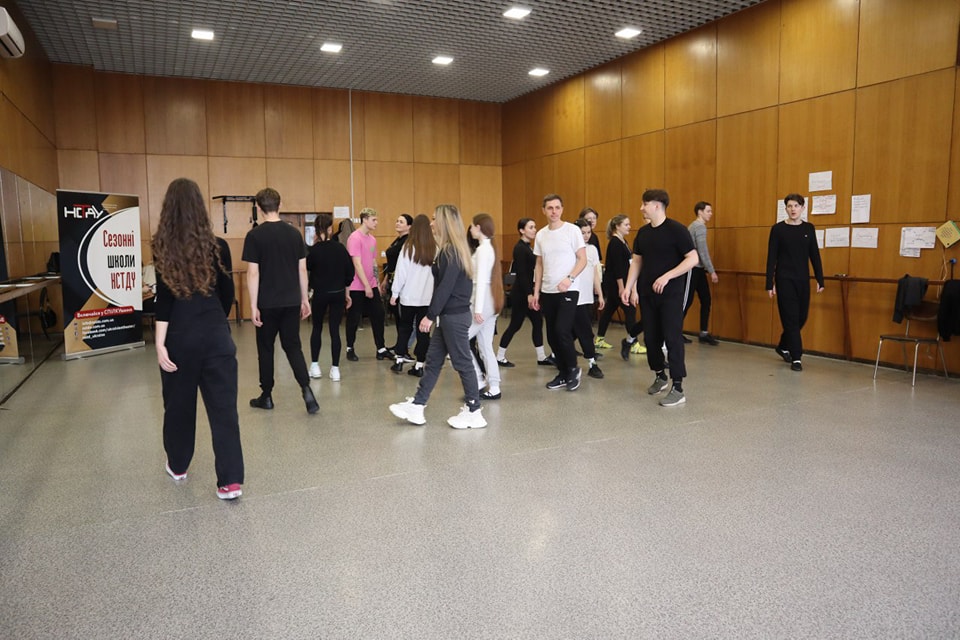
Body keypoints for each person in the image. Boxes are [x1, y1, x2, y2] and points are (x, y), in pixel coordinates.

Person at [153, 177, 244, 501]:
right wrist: (215, 323)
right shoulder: (218, 246)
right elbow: (227, 294)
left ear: (169, 210)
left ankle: (178, 465)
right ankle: (230, 482)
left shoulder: (162, 248)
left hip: (180, 338)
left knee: (178, 406)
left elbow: (164, 301)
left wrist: (160, 344)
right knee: (224, 411)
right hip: (217, 337)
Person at [390, 204, 486, 429]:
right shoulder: (450, 250)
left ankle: (474, 410)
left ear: (445, 222)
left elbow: (445, 288)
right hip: (448, 316)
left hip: (453, 317)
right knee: (433, 361)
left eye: (435, 219)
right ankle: (418, 405)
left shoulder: (451, 252)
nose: (431, 223)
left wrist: (430, 315)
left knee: (462, 363)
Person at [243, 187, 319, 415]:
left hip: (267, 302)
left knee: (266, 349)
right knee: (293, 346)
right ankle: (306, 389)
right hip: (291, 301)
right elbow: (302, 270)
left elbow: (253, 273)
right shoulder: (294, 234)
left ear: (259, 208)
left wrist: (253, 305)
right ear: (280, 205)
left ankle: (266, 395)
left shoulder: (254, 236)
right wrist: (304, 298)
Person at [622, 189, 699, 407]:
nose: (641, 208)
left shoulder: (677, 230)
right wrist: (628, 287)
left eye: (644, 204)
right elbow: (637, 261)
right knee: (651, 338)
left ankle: (678, 387)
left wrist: (667, 276)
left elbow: (693, 259)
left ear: (656, 205)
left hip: (671, 295)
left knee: (672, 338)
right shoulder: (643, 233)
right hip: (648, 294)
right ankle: (660, 375)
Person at [532, 193, 587, 392]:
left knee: (562, 330)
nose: (554, 211)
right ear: (544, 211)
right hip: (547, 291)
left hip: (568, 289)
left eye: (557, 207)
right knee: (552, 336)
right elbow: (539, 265)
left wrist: (569, 278)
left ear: (562, 209)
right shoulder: (541, 235)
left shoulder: (572, 230)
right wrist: (536, 292)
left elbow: (582, 259)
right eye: (550, 208)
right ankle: (563, 373)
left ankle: (573, 369)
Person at [765, 193, 825, 372]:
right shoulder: (778, 229)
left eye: (796, 206)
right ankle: (796, 357)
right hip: (784, 280)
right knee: (790, 318)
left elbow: (814, 255)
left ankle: (783, 345)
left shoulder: (809, 228)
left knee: (801, 318)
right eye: (790, 206)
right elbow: (771, 257)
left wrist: (820, 279)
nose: (793, 209)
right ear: (786, 209)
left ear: (802, 208)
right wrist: (769, 282)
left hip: (803, 279)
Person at [496, 218, 553, 367]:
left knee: (537, 322)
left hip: (529, 292)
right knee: (515, 324)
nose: (534, 230)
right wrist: (529, 294)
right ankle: (499, 356)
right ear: (522, 230)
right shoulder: (520, 248)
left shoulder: (528, 247)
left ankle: (541, 357)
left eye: (535, 227)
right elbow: (521, 274)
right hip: (521, 294)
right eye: (530, 227)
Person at [306, 213, 354, 382]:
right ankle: (335, 369)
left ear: (316, 230)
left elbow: (307, 269)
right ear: (329, 229)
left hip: (320, 294)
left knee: (317, 328)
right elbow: (350, 272)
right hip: (338, 294)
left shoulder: (313, 250)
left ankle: (315, 366)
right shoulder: (340, 248)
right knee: (335, 330)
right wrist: (347, 292)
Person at [389, 214, 436, 377]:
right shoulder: (434, 248)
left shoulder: (408, 247)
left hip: (408, 297)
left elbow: (401, 273)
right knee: (423, 332)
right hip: (427, 298)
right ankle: (419, 365)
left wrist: (395, 293)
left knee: (405, 328)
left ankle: (399, 361)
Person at [345, 208, 393, 362]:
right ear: (364, 220)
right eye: (374, 220)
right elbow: (357, 264)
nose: (376, 223)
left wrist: (376, 283)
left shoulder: (372, 239)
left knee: (378, 314)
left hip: (371, 284)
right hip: (356, 286)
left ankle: (381, 348)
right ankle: (350, 348)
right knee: (354, 317)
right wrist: (366, 286)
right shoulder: (354, 238)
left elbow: (373, 262)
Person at [467, 213, 505, 399]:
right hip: (490, 302)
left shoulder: (483, 250)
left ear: (478, 227)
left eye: (472, 226)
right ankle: (493, 386)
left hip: (483, 303)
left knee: (460, 340)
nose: (470, 230)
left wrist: (478, 309)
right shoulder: (487, 248)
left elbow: (481, 281)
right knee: (484, 346)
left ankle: (478, 380)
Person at [595, 214, 644, 356]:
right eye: (626, 224)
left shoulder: (623, 241)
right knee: (630, 311)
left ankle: (599, 338)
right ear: (617, 226)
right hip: (616, 284)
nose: (629, 227)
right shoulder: (615, 243)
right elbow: (617, 268)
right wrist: (622, 288)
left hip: (620, 283)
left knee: (609, 310)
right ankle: (633, 343)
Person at [683, 201, 720, 346]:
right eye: (708, 211)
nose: (711, 214)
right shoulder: (699, 227)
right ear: (700, 212)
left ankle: (704, 333)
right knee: (687, 302)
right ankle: (674, 332)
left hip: (698, 269)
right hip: (693, 269)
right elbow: (702, 251)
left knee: (706, 299)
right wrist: (712, 271)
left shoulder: (695, 226)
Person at [572, 218, 605, 379]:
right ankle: (592, 363)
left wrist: (600, 294)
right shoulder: (570, 249)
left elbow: (595, 273)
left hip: (587, 298)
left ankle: (560, 355)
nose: (586, 236)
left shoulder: (592, 249)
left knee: (579, 330)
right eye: (582, 233)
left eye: (588, 232)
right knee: (582, 331)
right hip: (573, 297)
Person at [381, 214, 413, 347]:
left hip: (402, 282)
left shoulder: (408, 241)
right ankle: (400, 343)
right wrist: (385, 279)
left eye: (401, 222)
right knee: (396, 314)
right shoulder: (397, 240)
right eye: (397, 221)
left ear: (409, 226)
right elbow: (391, 263)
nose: (397, 223)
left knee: (402, 315)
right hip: (392, 279)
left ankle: (403, 345)